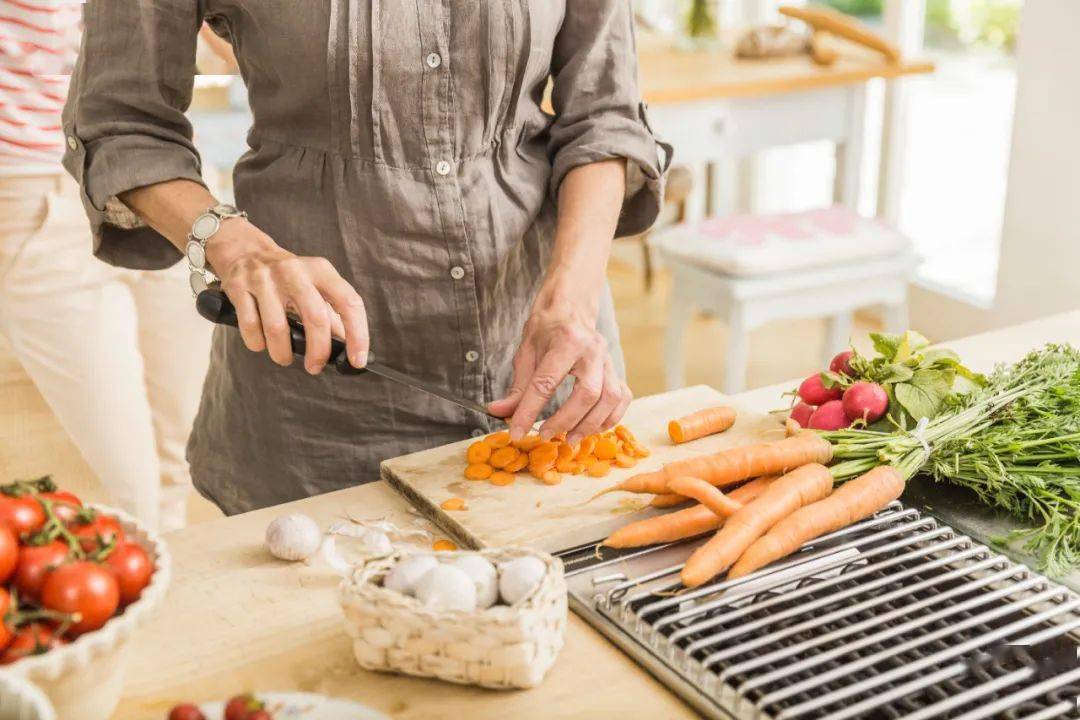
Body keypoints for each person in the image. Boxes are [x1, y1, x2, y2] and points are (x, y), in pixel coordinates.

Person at [63, 1, 672, 515]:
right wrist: (235, 246)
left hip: (552, 374)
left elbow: (604, 113)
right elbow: (120, 124)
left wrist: (572, 297)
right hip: (319, 408)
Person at [0, 2, 241, 531]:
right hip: (35, 185)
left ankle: (167, 596)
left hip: (163, 184)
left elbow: (228, 36)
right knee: (130, 478)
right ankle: (144, 592)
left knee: (183, 445)